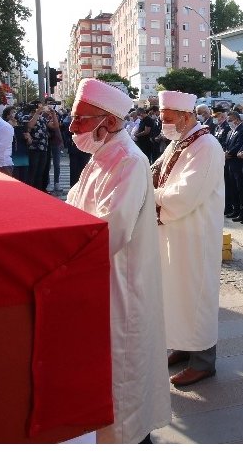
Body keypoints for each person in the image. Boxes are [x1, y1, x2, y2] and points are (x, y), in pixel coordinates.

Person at [64, 79, 171, 444]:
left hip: (122, 280)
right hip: (99, 278)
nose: (72, 128)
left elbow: (111, 230)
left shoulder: (128, 161)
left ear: (108, 122)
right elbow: (73, 206)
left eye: (80, 120)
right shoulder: (99, 158)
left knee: (123, 372)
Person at [153, 90, 225, 388]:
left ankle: (203, 361)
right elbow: (155, 172)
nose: (163, 124)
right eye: (161, 118)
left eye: (168, 119)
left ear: (186, 116)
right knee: (175, 292)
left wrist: (148, 196)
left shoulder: (206, 145)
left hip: (195, 233)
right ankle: (182, 345)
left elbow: (185, 194)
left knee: (195, 295)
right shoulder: (178, 142)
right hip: (174, 230)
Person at [225, 112, 243, 222]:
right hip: (229, 163)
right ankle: (235, 210)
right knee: (233, 188)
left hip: (237, 163)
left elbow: (239, 145)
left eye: (231, 119)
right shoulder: (231, 131)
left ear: (237, 119)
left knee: (240, 188)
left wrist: (229, 152)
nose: (229, 122)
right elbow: (227, 144)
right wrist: (224, 152)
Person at [26, 102, 52, 191]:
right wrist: (37, 113)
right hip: (33, 148)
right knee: (32, 172)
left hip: (43, 148)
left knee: (40, 172)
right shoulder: (26, 117)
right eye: (40, 106)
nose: (42, 108)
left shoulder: (42, 118)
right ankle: (30, 192)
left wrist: (53, 114)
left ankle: (39, 191)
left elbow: (55, 126)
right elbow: (30, 125)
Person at [8, 106, 30, 184]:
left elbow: (29, 141)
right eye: (12, 112)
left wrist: (28, 138)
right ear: (7, 115)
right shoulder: (6, 127)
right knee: (16, 179)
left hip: (23, 155)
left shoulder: (21, 126)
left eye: (15, 112)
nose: (15, 114)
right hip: (13, 157)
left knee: (24, 179)